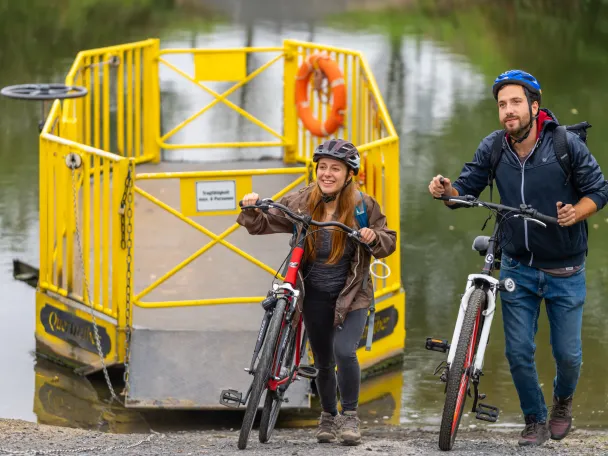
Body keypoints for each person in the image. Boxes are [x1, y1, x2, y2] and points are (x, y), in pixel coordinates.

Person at [428, 70, 608, 447]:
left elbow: (598, 190)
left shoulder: (565, 144)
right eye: (502, 104)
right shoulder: (494, 147)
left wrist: (577, 212)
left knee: (569, 355)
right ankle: (535, 419)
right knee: (519, 352)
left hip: (565, 268)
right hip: (517, 266)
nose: (508, 111)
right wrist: (447, 191)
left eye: (515, 102)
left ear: (534, 106)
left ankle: (562, 405)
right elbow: (467, 188)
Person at [237, 139, 396, 446]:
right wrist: (252, 208)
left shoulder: (363, 205)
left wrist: (371, 235)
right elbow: (265, 222)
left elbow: (387, 241)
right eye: (322, 167)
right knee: (323, 362)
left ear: (349, 174)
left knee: (344, 351)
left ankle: (350, 417)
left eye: (335, 168)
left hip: (351, 295)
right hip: (314, 295)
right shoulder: (302, 201)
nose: (327, 173)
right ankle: (328, 416)